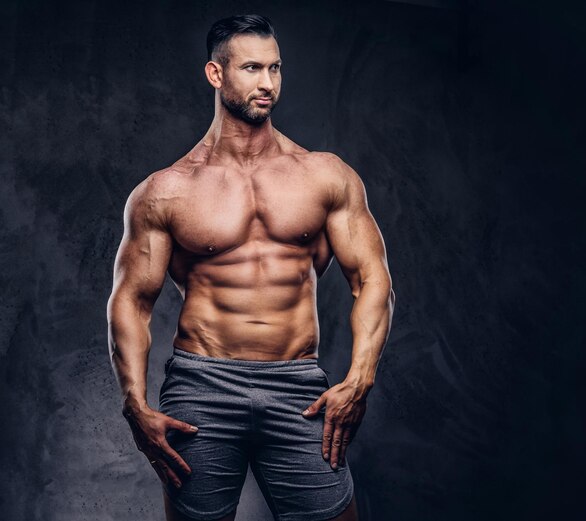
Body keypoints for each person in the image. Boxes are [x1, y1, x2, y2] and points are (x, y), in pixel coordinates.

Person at [107, 14, 395, 521]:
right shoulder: (166, 190)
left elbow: (373, 280)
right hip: (201, 387)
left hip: (298, 387)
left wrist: (360, 378)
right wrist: (134, 401)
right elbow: (131, 300)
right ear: (216, 75)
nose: (268, 84)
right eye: (252, 69)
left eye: (276, 69)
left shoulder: (325, 175)